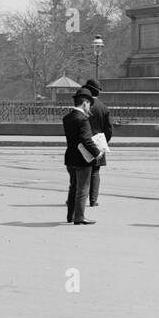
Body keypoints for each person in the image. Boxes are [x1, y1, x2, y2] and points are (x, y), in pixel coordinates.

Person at [62, 88, 102, 224]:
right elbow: (86, 140)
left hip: (70, 157)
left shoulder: (67, 118)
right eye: (89, 104)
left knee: (73, 187)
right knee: (83, 188)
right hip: (82, 159)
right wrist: (97, 153)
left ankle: (70, 216)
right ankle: (79, 217)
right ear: (85, 103)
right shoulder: (83, 119)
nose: (89, 107)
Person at [81, 78, 113, 212]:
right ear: (98, 92)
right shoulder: (104, 108)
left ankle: (78, 198)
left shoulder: (83, 106)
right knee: (95, 171)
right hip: (99, 142)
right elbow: (109, 129)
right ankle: (93, 200)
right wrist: (104, 141)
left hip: (84, 141)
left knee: (81, 171)